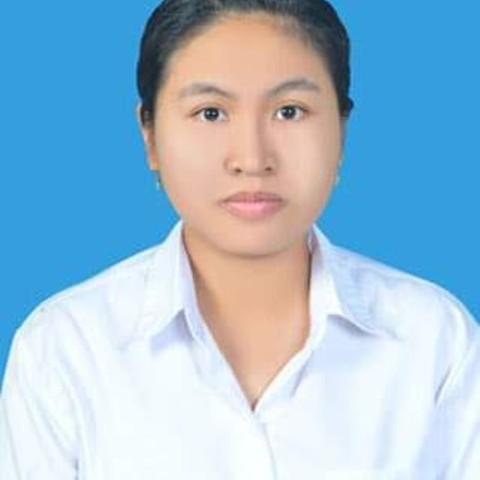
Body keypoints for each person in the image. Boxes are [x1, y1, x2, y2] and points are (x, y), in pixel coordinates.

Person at [1, 0, 479, 478]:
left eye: (290, 111)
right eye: (210, 113)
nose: (252, 159)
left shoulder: (434, 340)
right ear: (149, 135)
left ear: (341, 130)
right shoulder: (66, 350)